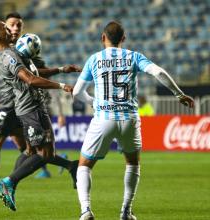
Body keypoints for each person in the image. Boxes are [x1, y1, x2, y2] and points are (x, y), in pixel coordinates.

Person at [72, 21, 195, 220]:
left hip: (104, 118)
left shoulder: (94, 59)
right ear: (123, 39)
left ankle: (86, 210)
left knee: (84, 164)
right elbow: (159, 72)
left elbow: (77, 92)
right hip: (129, 119)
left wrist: (93, 102)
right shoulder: (133, 56)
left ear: (103, 38)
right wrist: (179, 94)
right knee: (132, 163)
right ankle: (126, 211)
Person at [0, 13, 79, 213]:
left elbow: (34, 72)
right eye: (8, 27)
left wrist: (60, 70)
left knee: (29, 151)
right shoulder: (6, 54)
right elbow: (30, 78)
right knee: (31, 151)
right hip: (16, 107)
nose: (12, 29)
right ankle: (5, 185)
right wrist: (61, 85)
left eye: (17, 26)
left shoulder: (17, 51)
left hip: (18, 107)